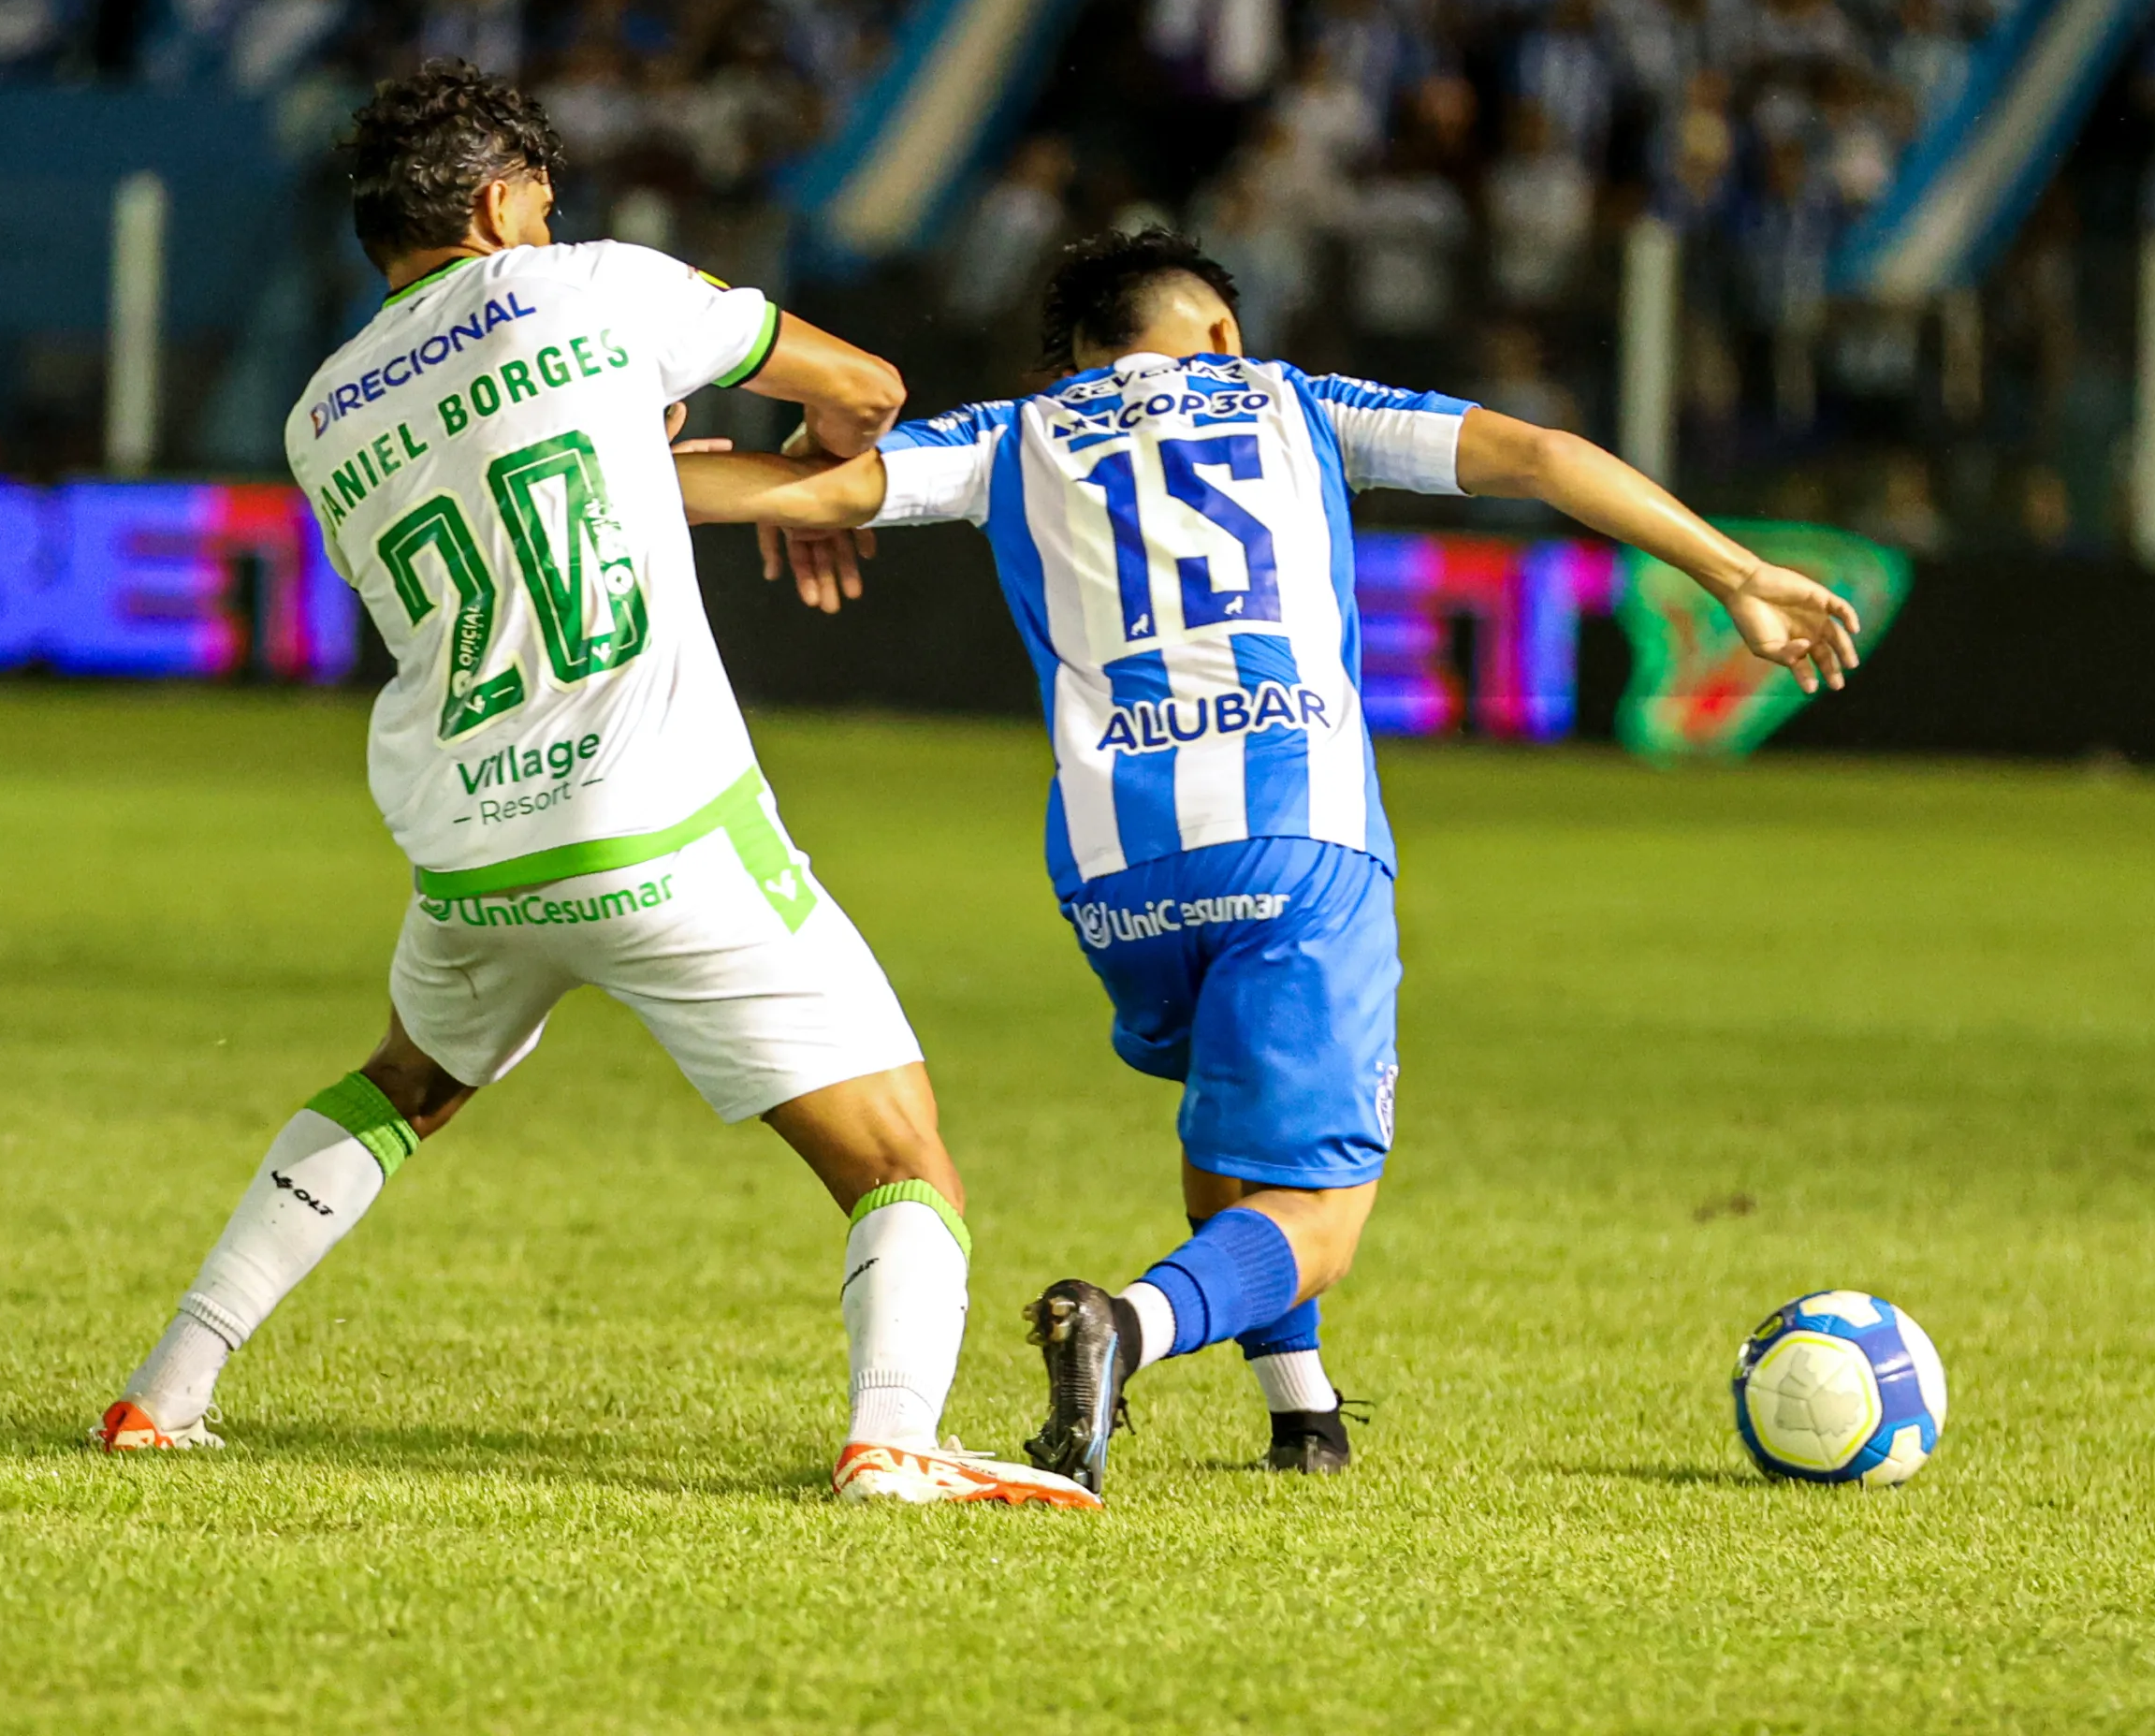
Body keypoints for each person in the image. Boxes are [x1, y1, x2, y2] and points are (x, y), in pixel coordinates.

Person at [675, 227, 1860, 1494]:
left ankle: (1303, 1410)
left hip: (1116, 870)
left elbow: (787, 490)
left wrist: (613, 449)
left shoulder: (1011, 435)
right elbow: (1546, 456)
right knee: (1319, 1215)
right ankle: (1124, 1327)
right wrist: (1734, 572)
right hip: (1298, 839)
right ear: (1222, 333)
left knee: (1228, 1127)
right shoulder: (1299, 401)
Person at [86, 62, 1093, 1511]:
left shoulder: (320, 417)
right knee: (898, 1154)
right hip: (661, 826)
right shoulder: (595, 287)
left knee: (406, 1084)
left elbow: (513, 480)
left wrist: (637, 455)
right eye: (545, 209)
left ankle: (165, 1393)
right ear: (500, 205)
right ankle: (893, 1441)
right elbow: (867, 388)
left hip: (473, 850)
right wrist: (811, 463)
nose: (555, 232)